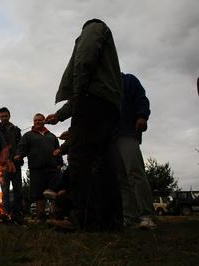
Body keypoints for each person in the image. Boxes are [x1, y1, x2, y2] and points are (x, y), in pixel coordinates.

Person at [46, 19, 123, 231]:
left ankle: (81, 218)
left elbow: (84, 61)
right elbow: (91, 84)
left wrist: (78, 95)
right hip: (108, 106)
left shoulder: (93, 27)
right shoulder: (104, 79)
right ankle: (110, 221)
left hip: (92, 104)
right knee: (105, 163)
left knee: (80, 158)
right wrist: (59, 115)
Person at [115, 73, 156, 229]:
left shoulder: (129, 80)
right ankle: (129, 217)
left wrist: (142, 116)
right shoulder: (104, 83)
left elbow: (141, 98)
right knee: (121, 178)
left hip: (127, 133)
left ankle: (146, 215)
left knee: (135, 172)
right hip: (111, 137)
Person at [14, 113, 63, 223]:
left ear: (44, 121)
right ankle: (41, 216)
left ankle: (56, 216)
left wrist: (59, 164)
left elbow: (58, 150)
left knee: (54, 192)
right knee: (38, 194)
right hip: (36, 169)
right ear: (33, 122)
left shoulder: (52, 136)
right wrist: (19, 155)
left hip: (52, 169)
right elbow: (22, 147)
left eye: (40, 120)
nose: (37, 122)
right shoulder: (28, 135)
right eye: (35, 120)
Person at [0, 107, 23, 223]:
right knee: (5, 191)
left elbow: (21, 145)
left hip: (16, 165)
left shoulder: (16, 130)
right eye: (2, 116)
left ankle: (18, 215)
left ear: (9, 116)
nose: (4, 118)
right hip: (3, 166)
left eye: (5, 116)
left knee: (18, 190)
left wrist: (19, 155)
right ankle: (6, 215)